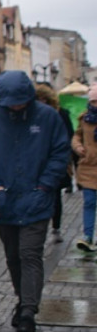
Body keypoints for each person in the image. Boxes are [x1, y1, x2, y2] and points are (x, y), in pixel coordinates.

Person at [0, 71, 71, 332]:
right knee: (13, 256)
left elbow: (60, 152)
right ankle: (22, 299)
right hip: (5, 201)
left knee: (30, 254)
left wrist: (45, 185)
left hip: (36, 198)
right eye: (11, 102)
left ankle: (27, 311)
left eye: (20, 101)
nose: (16, 106)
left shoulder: (47, 117)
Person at [35, 83, 76, 244]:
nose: (41, 102)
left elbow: (68, 135)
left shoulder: (60, 114)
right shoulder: (33, 115)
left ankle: (56, 227)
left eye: (43, 99)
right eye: (38, 99)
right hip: (39, 161)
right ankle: (42, 226)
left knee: (55, 195)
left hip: (55, 159)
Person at [72, 84, 97, 253]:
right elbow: (76, 136)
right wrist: (78, 146)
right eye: (94, 101)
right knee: (89, 202)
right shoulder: (84, 118)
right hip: (88, 166)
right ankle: (88, 237)